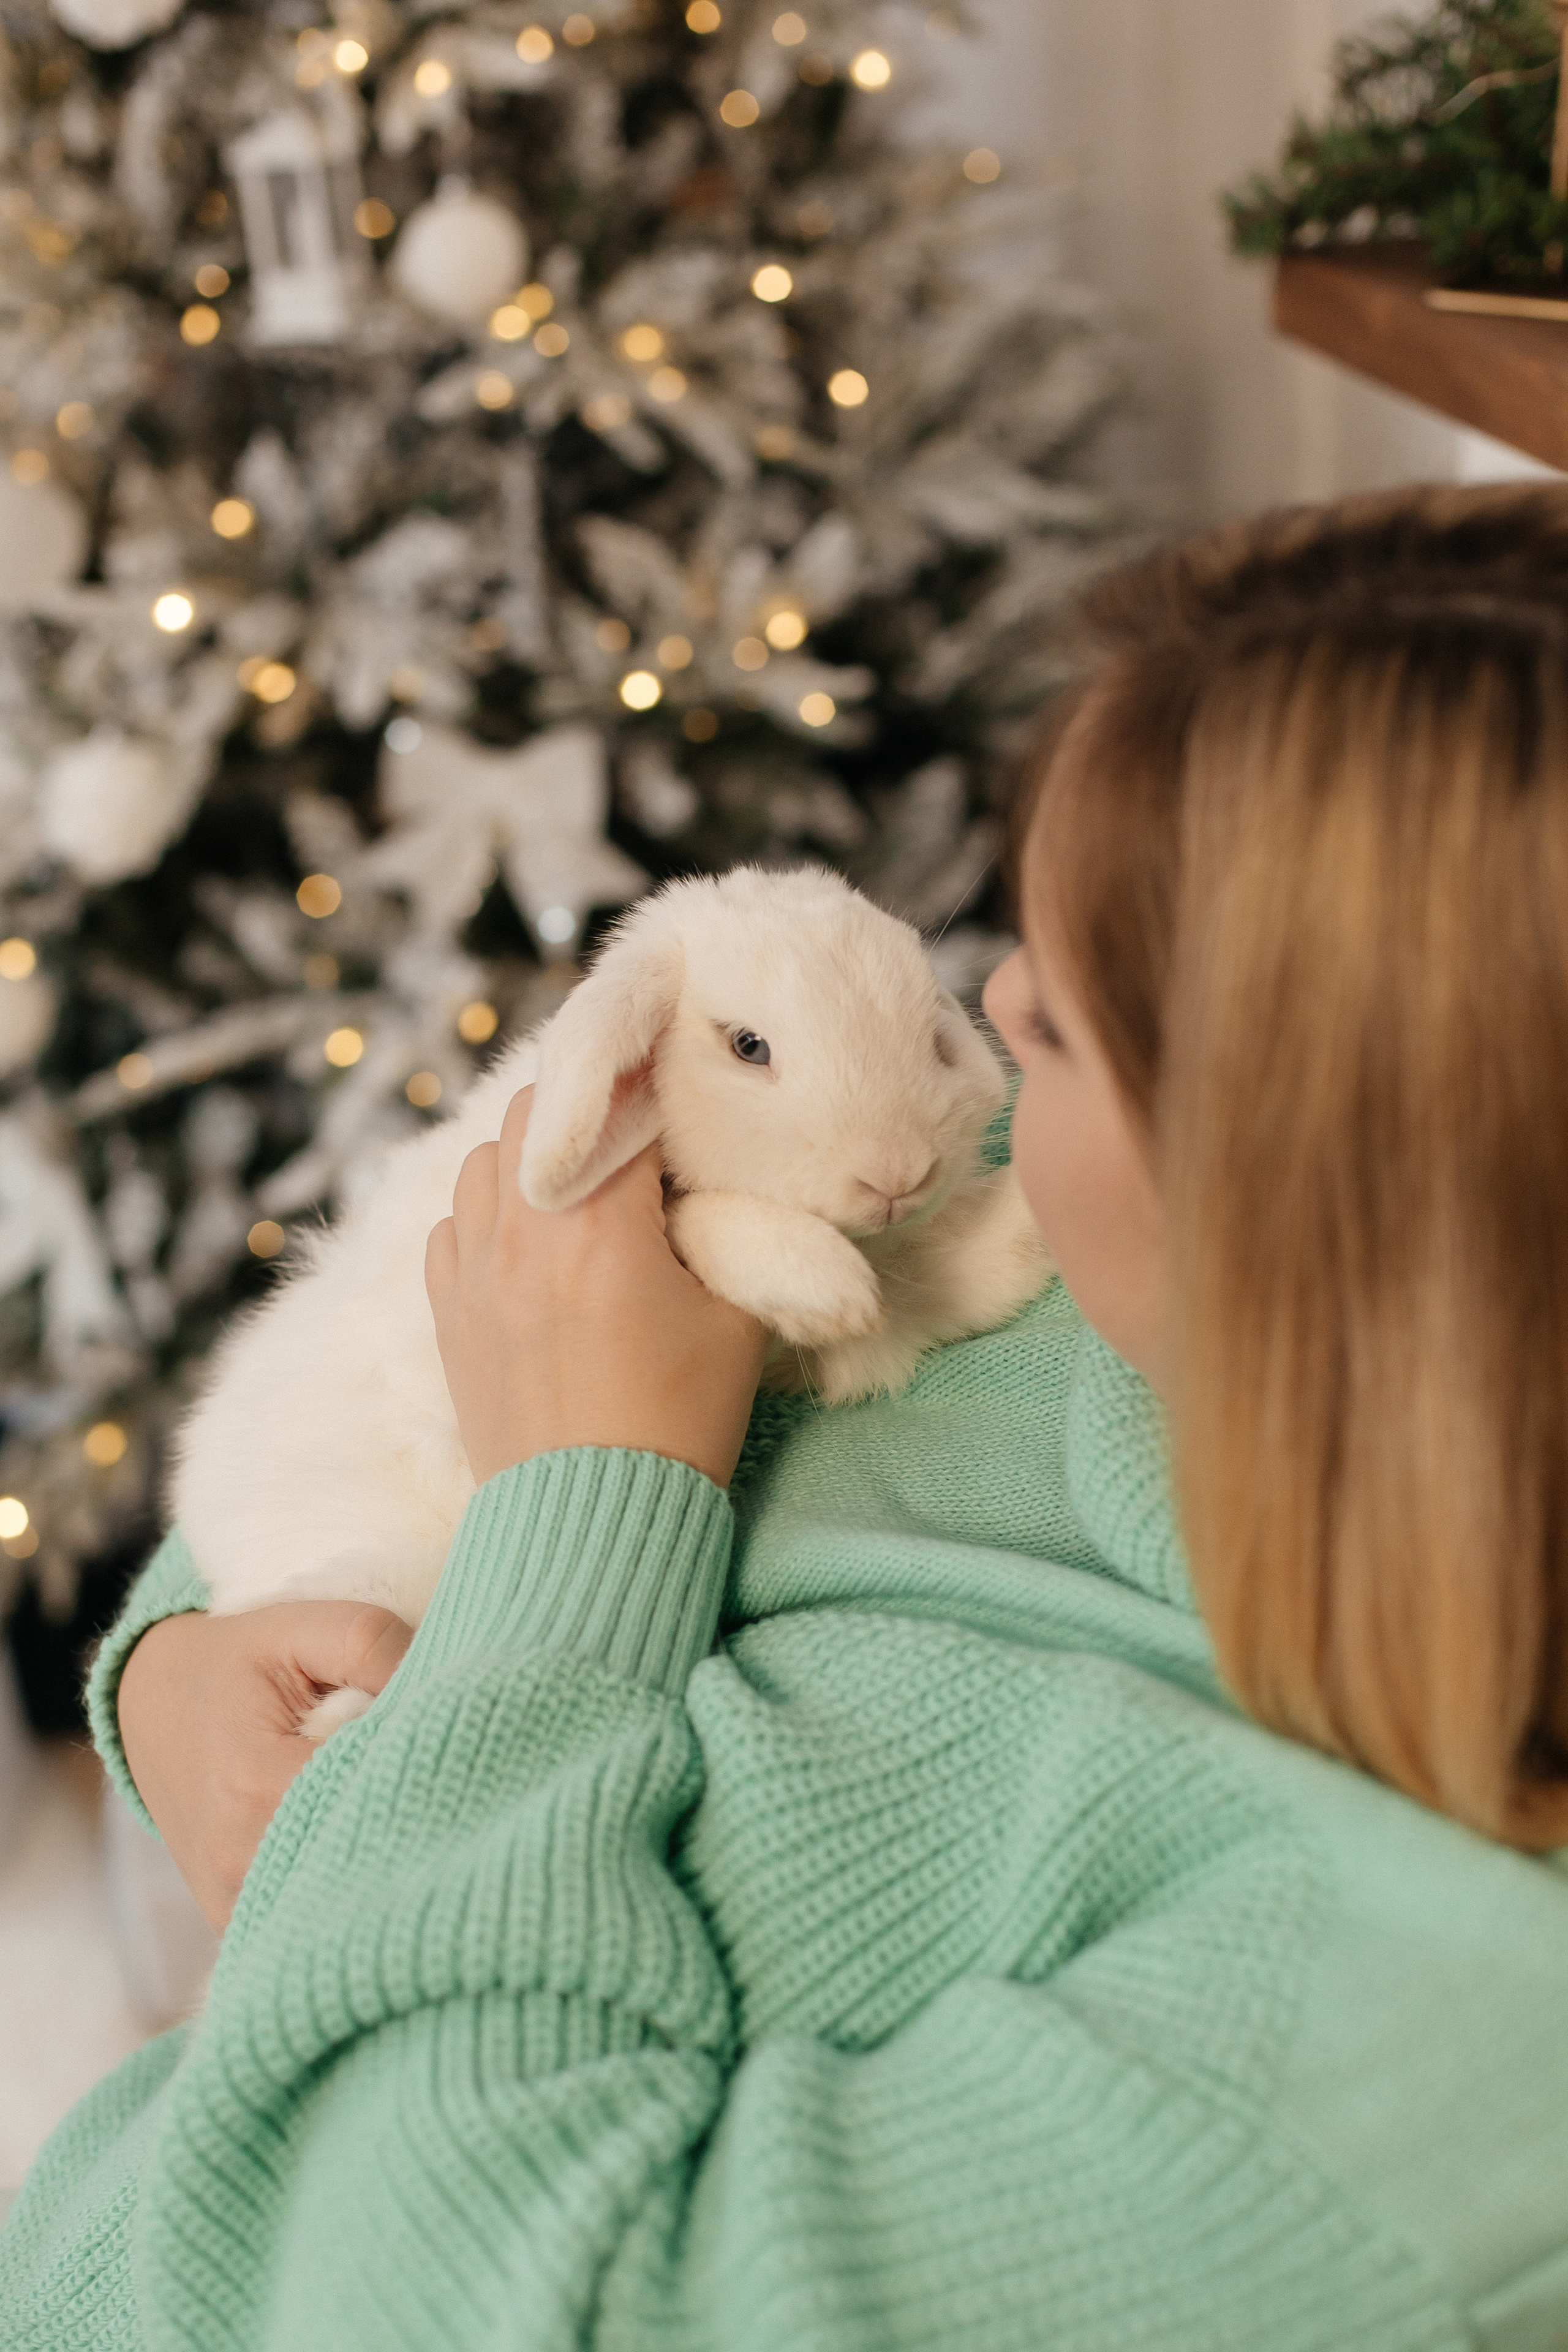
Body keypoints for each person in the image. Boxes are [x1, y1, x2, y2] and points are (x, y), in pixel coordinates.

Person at [4, 481, 1567, 2351]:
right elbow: (373, 1401)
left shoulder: (1440, 2071)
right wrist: (182, 1680)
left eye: (1062, 1022)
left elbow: (434, 2300)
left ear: (1310, 1183)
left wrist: (584, 1511)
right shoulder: (1069, 1275)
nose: (990, 1006)